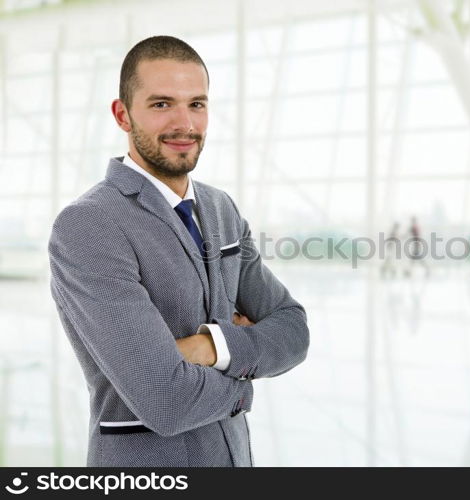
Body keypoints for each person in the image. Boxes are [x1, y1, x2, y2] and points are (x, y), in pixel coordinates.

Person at [48, 36, 309, 467]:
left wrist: (211, 346)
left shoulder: (221, 209)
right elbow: (165, 397)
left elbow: (294, 331)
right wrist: (244, 384)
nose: (184, 123)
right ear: (122, 114)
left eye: (197, 104)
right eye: (161, 104)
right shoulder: (89, 226)